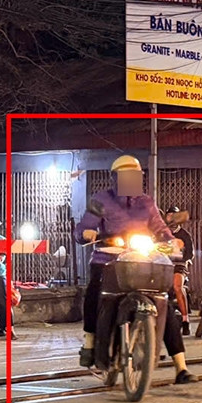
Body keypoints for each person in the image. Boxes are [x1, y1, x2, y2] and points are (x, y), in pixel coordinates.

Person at [78, 155, 173, 368]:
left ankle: (158, 344)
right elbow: (84, 225)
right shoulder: (100, 200)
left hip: (138, 259)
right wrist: (86, 232)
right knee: (94, 291)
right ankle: (90, 340)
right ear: (115, 178)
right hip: (107, 259)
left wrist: (171, 240)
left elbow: (159, 227)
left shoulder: (147, 202)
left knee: (164, 296)